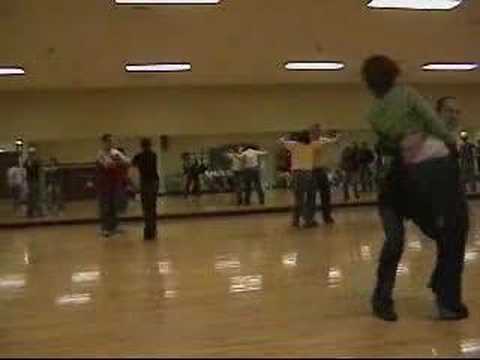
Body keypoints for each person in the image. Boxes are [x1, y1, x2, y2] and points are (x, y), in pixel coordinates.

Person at [363, 55, 469, 322]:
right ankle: (382, 299)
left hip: (414, 192)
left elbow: (397, 141)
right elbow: (405, 138)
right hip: (395, 192)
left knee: (446, 236)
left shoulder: (383, 113)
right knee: (396, 243)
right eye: (448, 112)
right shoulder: (404, 104)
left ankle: (440, 289)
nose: (453, 117)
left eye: (457, 112)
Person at [279, 130, 337, 228]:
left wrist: (284, 137)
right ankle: (309, 221)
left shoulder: (293, 145)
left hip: (297, 173)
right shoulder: (313, 145)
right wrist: (336, 137)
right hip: (309, 173)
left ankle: (295, 221)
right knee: (310, 198)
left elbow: (281, 141)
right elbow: (329, 142)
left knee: (299, 199)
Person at [96, 134, 130, 237]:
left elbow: (127, 161)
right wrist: (116, 161)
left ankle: (114, 227)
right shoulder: (100, 154)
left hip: (115, 183)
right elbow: (107, 165)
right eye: (109, 141)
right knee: (105, 205)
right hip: (104, 184)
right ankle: (105, 228)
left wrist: (119, 160)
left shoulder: (115, 152)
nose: (111, 143)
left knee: (115, 205)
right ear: (104, 142)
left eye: (112, 141)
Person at [132, 138, 160, 241]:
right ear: (150, 145)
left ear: (141, 146)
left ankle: (148, 231)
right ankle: (152, 229)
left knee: (146, 208)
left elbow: (132, 164)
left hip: (145, 183)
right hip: (154, 182)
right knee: (152, 207)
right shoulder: (154, 155)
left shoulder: (139, 156)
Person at [310, 124, 337, 224]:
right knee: (311, 196)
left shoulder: (322, 140)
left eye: (318, 131)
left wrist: (337, 136)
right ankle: (310, 218)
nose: (317, 132)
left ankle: (327, 217)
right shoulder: (308, 142)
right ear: (311, 132)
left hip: (321, 170)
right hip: (311, 170)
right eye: (315, 131)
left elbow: (333, 141)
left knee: (326, 194)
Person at [24, 148, 43, 218]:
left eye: (32, 153)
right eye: (30, 153)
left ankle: (39, 212)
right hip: (29, 181)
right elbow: (25, 168)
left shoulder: (37, 161)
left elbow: (38, 169)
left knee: (37, 197)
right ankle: (30, 212)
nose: (31, 155)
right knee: (30, 197)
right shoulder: (27, 161)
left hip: (36, 180)